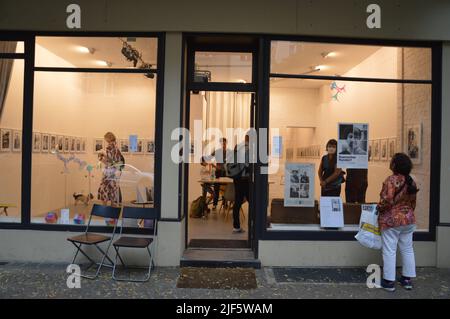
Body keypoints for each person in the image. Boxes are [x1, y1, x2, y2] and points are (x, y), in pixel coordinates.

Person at [377, 153, 419, 292]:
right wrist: (407, 213)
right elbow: (413, 202)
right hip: (409, 220)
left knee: (390, 250)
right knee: (407, 249)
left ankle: (389, 282)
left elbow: (387, 200)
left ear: (395, 165)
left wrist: (379, 208)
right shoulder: (411, 181)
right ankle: (407, 279)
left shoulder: (391, 180)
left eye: (392, 161)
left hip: (392, 221)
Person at [201, 137, 232, 210]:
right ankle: (215, 204)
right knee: (216, 187)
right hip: (218, 172)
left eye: (224, 143)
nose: (223, 145)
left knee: (226, 188)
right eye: (222, 143)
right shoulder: (217, 151)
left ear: (226, 143)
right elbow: (209, 157)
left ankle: (225, 203)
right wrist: (203, 161)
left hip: (225, 172)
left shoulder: (229, 152)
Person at [228, 134, 251, 234]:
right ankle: (254, 224)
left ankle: (236, 227)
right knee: (252, 202)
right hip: (244, 179)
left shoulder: (237, 147)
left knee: (237, 202)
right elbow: (246, 165)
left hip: (237, 179)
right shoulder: (247, 149)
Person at [97, 132, 124, 207]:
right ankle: (113, 210)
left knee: (104, 189)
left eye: (105, 138)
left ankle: (104, 209)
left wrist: (101, 158)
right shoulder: (116, 148)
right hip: (115, 172)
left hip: (108, 172)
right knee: (113, 190)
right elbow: (117, 161)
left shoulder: (109, 147)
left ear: (108, 138)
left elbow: (109, 161)